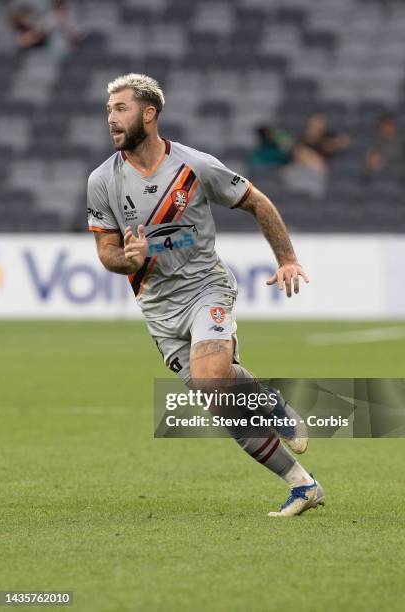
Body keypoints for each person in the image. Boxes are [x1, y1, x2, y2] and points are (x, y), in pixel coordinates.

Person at [87, 74, 324, 517]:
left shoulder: (193, 166)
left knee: (213, 376)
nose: (111, 119)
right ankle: (303, 485)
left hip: (204, 287)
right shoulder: (102, 181)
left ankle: (271, 404)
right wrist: (127, 259)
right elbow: (106, 253)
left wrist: (287, 258)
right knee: (221, 403)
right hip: (157, 310)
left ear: (149, 113)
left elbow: (257, 201)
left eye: (121, 109)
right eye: (108, 110)